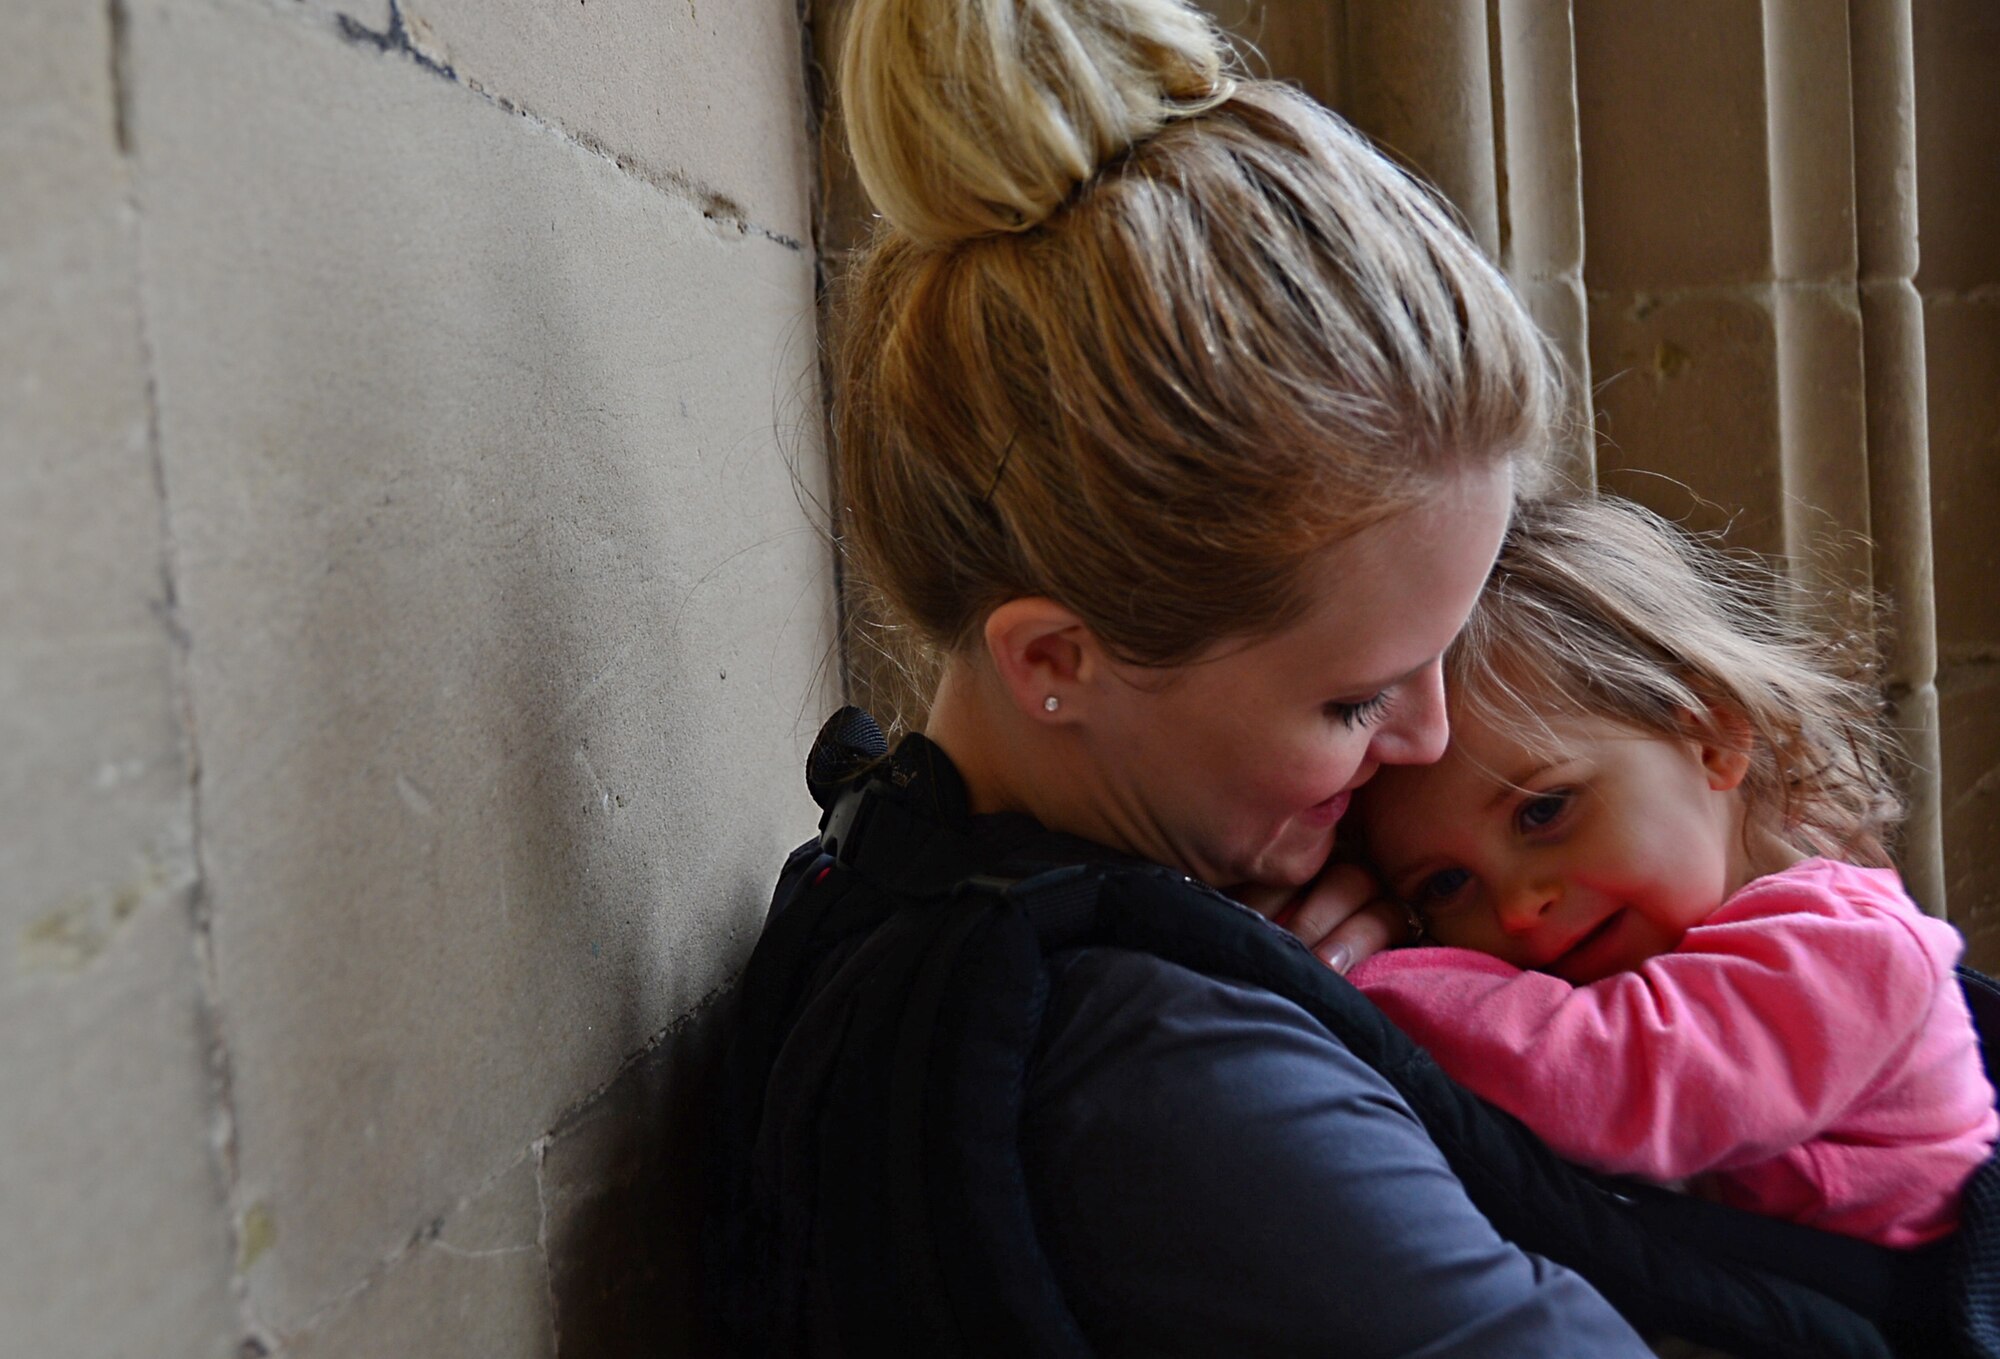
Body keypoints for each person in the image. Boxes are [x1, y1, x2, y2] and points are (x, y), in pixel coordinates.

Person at [1348, 495, 2000, 1250]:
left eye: (1544, 811)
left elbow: (1611, 1081)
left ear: (1713, 737)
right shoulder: (1656, 955)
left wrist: (1365, 980)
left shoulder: (1850, 951)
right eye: (1446, 885)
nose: (1520, 907)